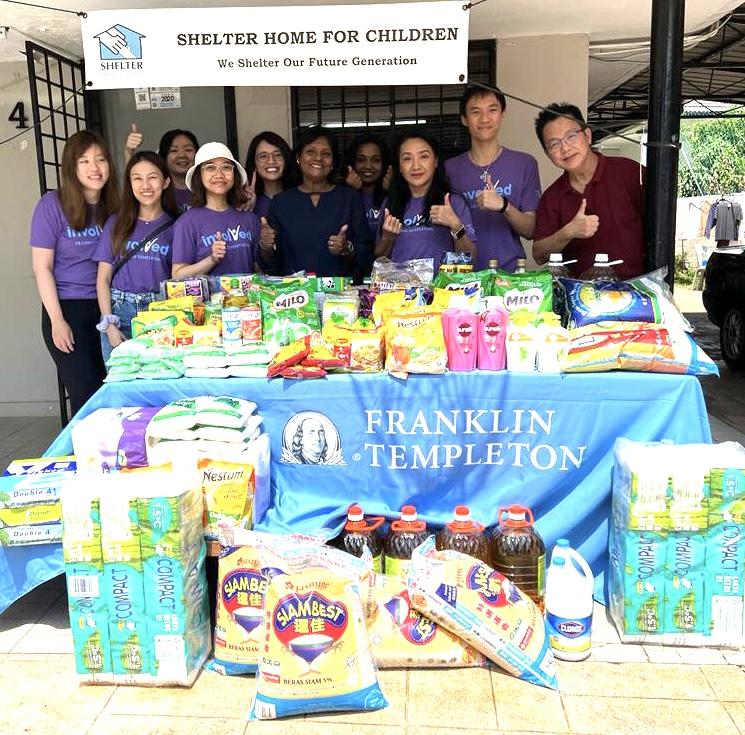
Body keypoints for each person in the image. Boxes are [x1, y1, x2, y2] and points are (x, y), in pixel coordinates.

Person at [30, 130, 120, 416]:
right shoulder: (52, 205)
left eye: (101, 159)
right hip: (69, 308)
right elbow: (41, 268)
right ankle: (82, 458)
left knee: (114, 388)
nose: (95, 168)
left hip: (110, 307)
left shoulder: (116, 207)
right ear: (72, 166)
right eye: (85, 161)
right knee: (85, 395)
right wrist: (57, 320)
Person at [532, 103, 645, 280]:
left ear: (587, 135)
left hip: (637, 293)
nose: (565, 148)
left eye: (571, 136)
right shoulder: (552, 196)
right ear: (547, 154)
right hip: (580, 298)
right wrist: (568, 232)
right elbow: (539, 254)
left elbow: (663, 226)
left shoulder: (629, 172)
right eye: (554, 144)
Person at [445, 86, 541, 272]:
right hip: (462, 277)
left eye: (492, 110)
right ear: (464, 119)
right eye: (475, 112)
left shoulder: (525, 164)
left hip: (510, 275)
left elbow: (530, 231)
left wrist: (503, 205)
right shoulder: (449, 169)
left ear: (503, 113)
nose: (484, 119)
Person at [94, 151, 178, 364]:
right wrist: (109, 323)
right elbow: (103, 277)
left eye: (152, 177)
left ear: (166, 181)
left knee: (159, 381)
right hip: (119, 312)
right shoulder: (116, 223)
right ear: (129, 184)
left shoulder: (177, 226)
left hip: (160, 313)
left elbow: (179, 276)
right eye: (137, 178)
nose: (145, 185)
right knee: (120, 383)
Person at [259, 127, 373, 280]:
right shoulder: (281, 202)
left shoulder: (349, 198)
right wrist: (265, 246)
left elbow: (366, 254)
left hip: (339, 297)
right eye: (310, 152)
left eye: (326, 154)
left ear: (333, 162)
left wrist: (347, 248)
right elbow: (270, 264)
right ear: (298, 157)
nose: (318, 158)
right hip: (294, 296)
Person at [376, 131, 476, 264]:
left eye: (423, 157)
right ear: (399, 166)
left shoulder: (453, 202)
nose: (416, 166)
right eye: (407, 158)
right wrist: (387, 238)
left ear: (435, 161)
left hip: (441, 285)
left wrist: (456, 226)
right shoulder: (391, 203)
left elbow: (471, 260)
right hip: (400, 284)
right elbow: (379, 260)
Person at [171, 142, 260, 277]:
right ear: (199, 176)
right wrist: (212, 259)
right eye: (210, 168)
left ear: (234, 174)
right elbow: (178, 275)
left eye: (226, 167)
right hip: (207, 298)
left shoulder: (249, 218)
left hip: (248, 298)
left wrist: (267, 246)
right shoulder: (187, 223)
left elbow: (258, 268)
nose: (219, 174)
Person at [125, 125, 198, 214]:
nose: (182, 155)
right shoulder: (156, 191)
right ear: (163, 156)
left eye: (188, 150)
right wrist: (129, 152)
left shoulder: (206, 189)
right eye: (174, 151)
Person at [344, 133, 393, 232]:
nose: (368, 166)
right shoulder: (342, 193)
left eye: (376, 160)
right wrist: (349, 192)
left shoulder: (393, 193)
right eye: (361, 160)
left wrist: (393, 192)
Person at [243, 131, 297, 218]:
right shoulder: (246, 199)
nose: (271, 161)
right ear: (254, 164)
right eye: (263, 156)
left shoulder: (299, 195)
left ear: (286, 160)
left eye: (277, 155)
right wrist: (249, 209)